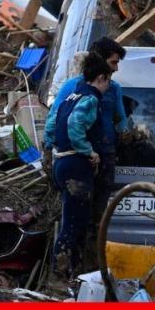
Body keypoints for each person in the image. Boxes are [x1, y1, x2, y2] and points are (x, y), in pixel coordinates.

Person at [43, 37, 129, 269]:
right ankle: (67, 270)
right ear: (99, 65)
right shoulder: (75, 89)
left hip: (103, 157)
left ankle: (90, 271)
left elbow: (121, 121)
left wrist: (129, 135)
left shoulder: (114, 89)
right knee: (75, 217)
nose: (116, 69)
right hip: (80, 159)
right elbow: (58, 122)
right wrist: (53, 151)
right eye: (113, 63)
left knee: (96, 219)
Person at [50, 54, 113, 278]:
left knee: (72, 219)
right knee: (74, 225)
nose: (109, 86)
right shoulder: (91, 98)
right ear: (100, 78)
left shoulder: (70, 96)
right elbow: (75, 122)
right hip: (77, 166)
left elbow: (51, 124)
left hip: (61, 163)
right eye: (109, 80)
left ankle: (70, 275)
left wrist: (55, 146)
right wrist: (89, 151)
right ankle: (61, 276)